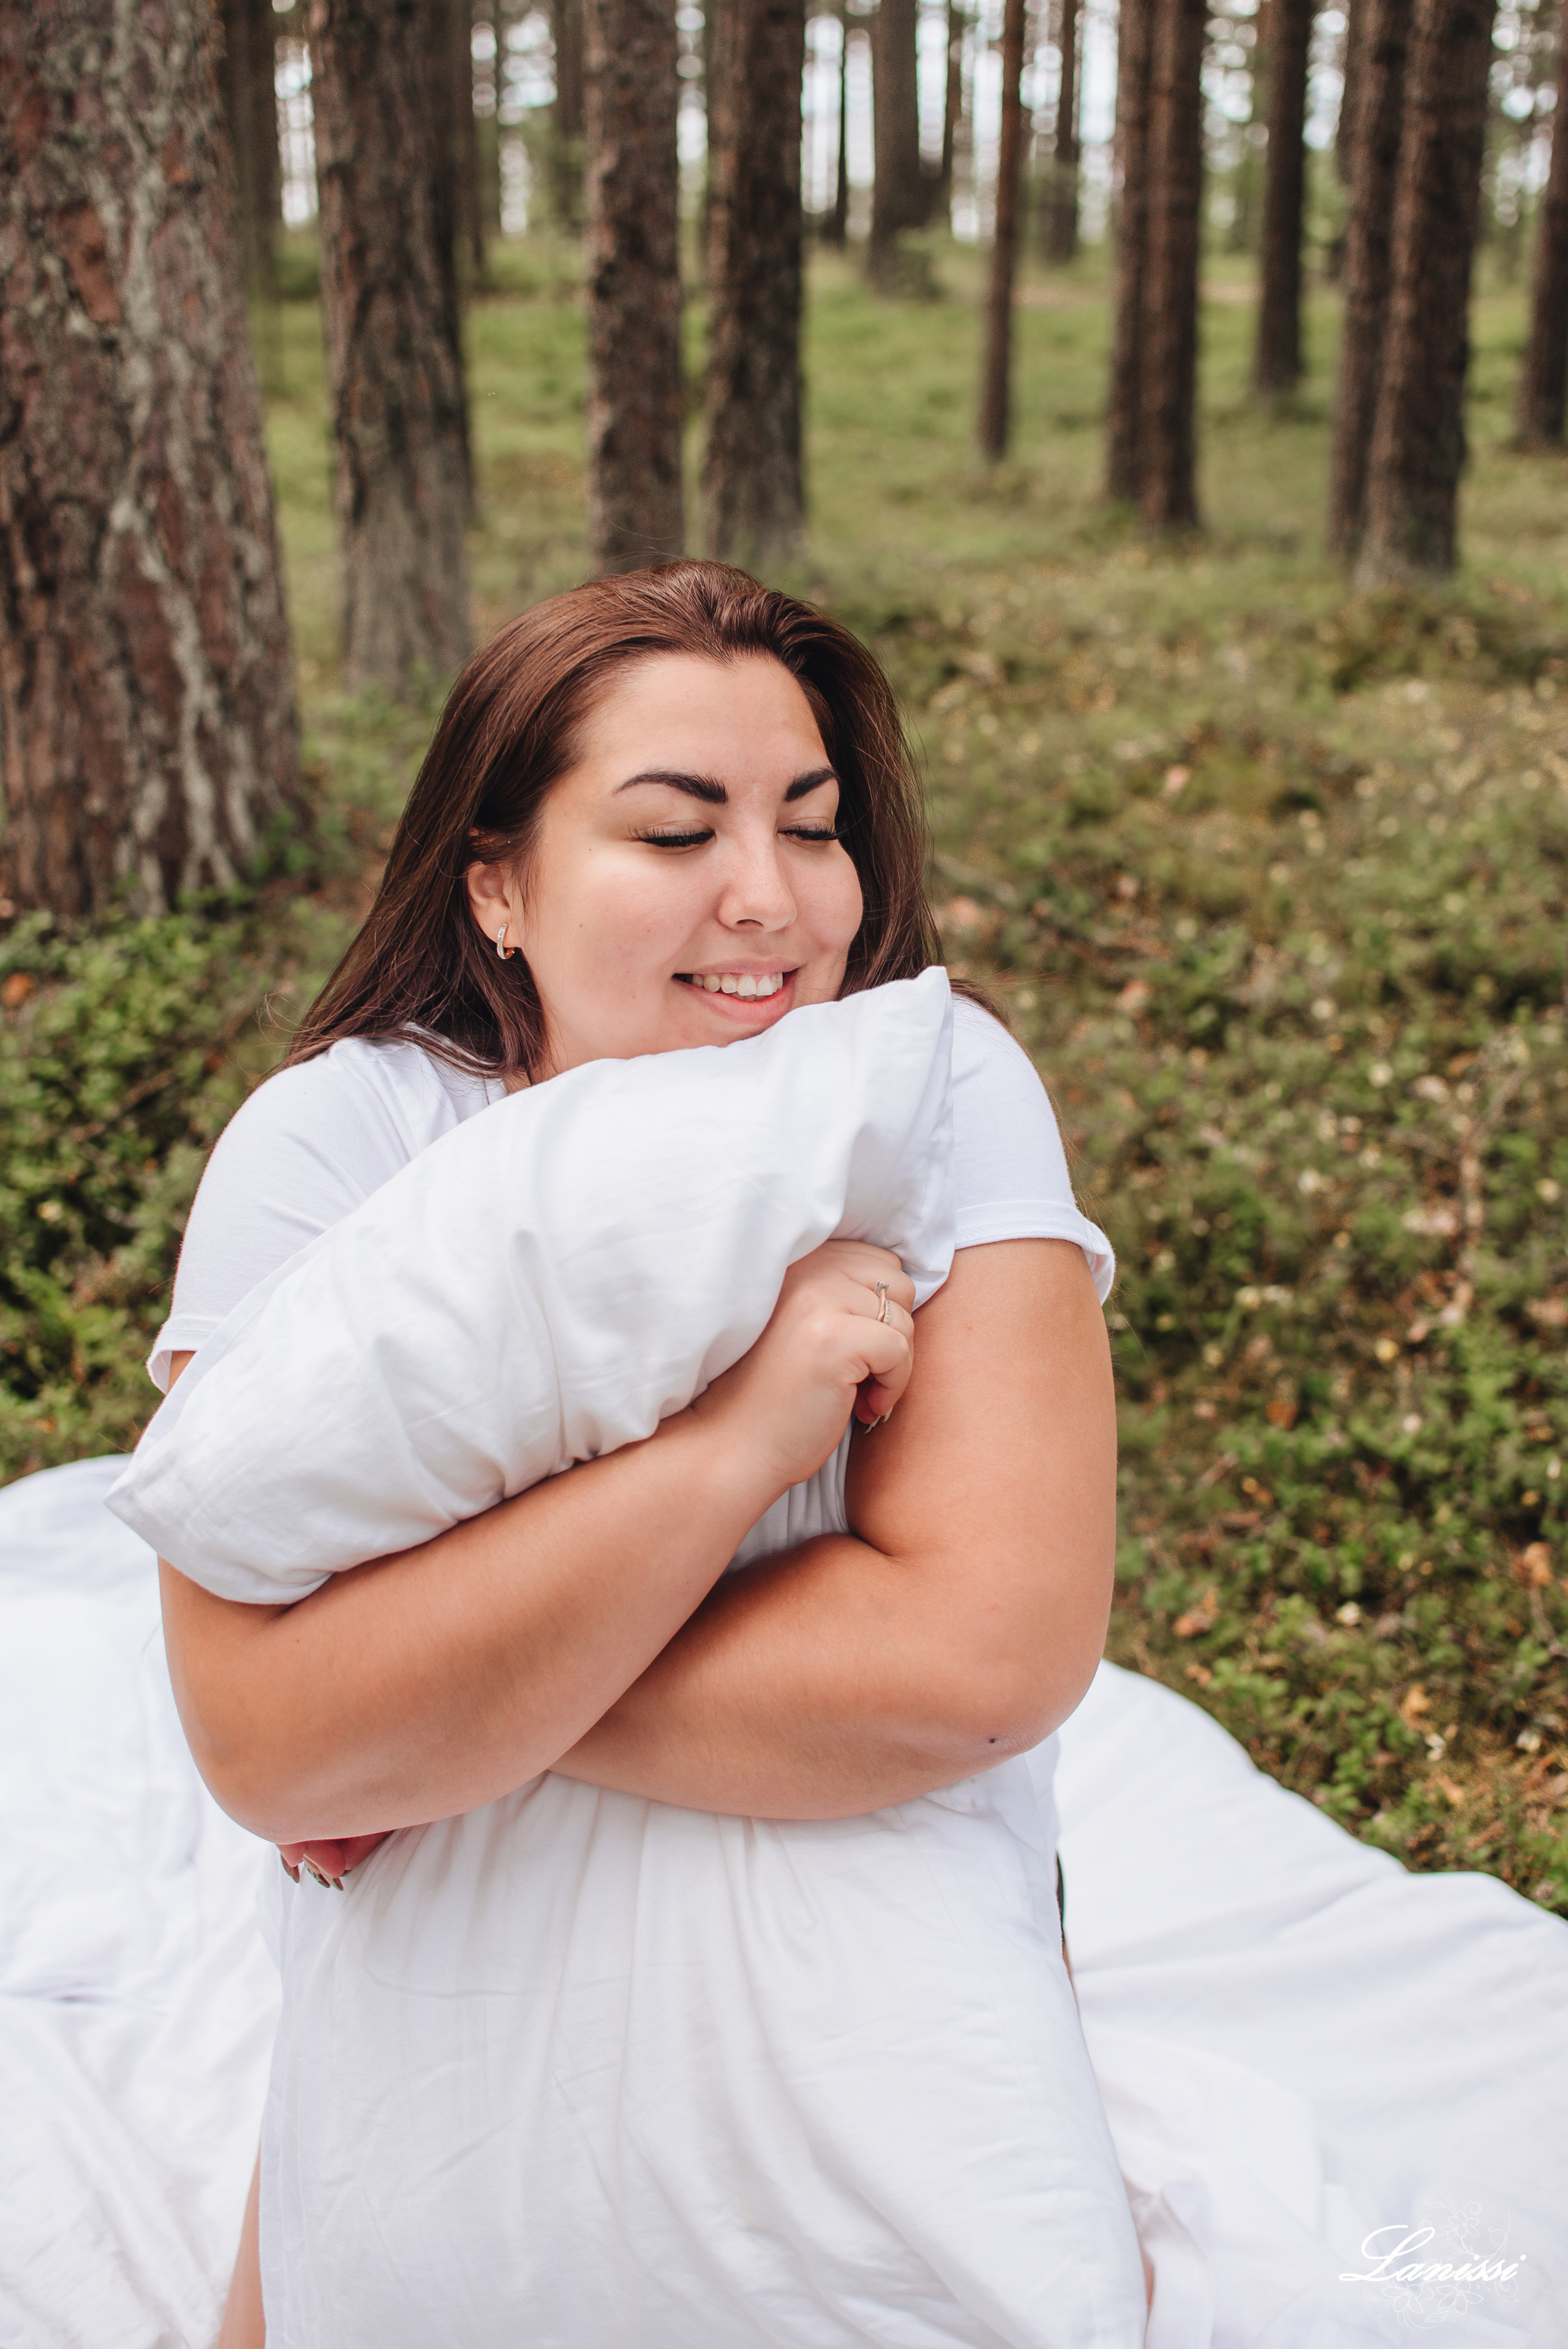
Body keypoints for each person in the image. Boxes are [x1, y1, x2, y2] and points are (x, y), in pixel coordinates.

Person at [155, 561, 1148, 2346]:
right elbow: (264, 1737)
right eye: (677, 831)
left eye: (813, 823)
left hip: (886, 2037)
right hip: (441, 2090)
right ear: (499, 883)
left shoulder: (938, 1088)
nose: (771, 899)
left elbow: (985, 1660)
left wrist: (441, 1708)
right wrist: (732, 1450)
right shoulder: (342, 1148)